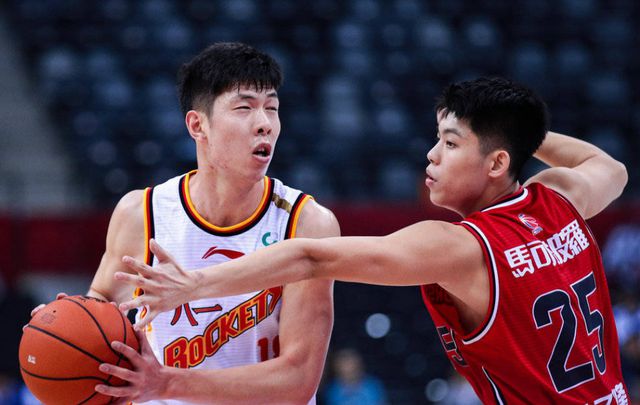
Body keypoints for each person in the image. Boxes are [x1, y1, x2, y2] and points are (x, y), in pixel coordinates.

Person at [113, 77, 630, 403]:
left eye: (451, 143)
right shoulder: (561, 198)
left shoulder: (461, 247)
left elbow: (310, 256)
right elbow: (611, 167)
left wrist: (195, 284)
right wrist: (515, 132)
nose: (431, 155)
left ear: (497, 163)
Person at [34, 42, 339, 404]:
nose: (265, 124)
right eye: (245, 108)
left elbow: (298, 380)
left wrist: (167, 382)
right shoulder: (140, 214)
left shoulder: (306, 223)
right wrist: (70, 323)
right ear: (198, 125)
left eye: (271, 108)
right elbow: (103, 303)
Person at [323, 348, 388, 405]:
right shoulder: (332, 391)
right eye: (343, 361)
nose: (348, 367)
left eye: (350, 361)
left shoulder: (372, 386)